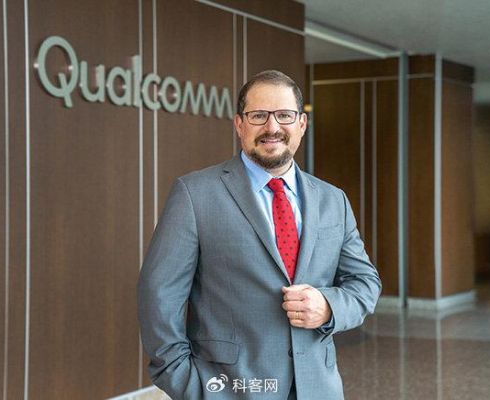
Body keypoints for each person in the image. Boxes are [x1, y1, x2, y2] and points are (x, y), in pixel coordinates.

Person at [137, 70, 381, 399]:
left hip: (318, 388)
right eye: (258, 116)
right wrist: (187, 384)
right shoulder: (195, 194)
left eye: (284, 115)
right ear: (239, 124)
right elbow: (159, 294)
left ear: (302, 124)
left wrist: (328, 306)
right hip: (230, 389)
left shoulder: (332, 199)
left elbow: (365, 283)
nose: (272, 127)